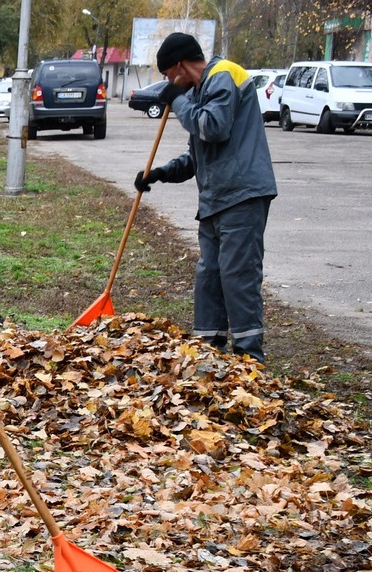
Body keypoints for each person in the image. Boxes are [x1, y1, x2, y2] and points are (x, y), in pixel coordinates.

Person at [133, 32, 276, 364]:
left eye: (169, 77)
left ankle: (248, 359)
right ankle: (209, 353)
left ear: (181, 67)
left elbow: (214, 127)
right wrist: (159, 173)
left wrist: (179, 100)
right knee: (209, 275)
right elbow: (197, 154)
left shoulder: (224, 74)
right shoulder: (200, 91)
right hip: (214, 200)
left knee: (237, 276)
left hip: (242, 195)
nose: (170, 85)